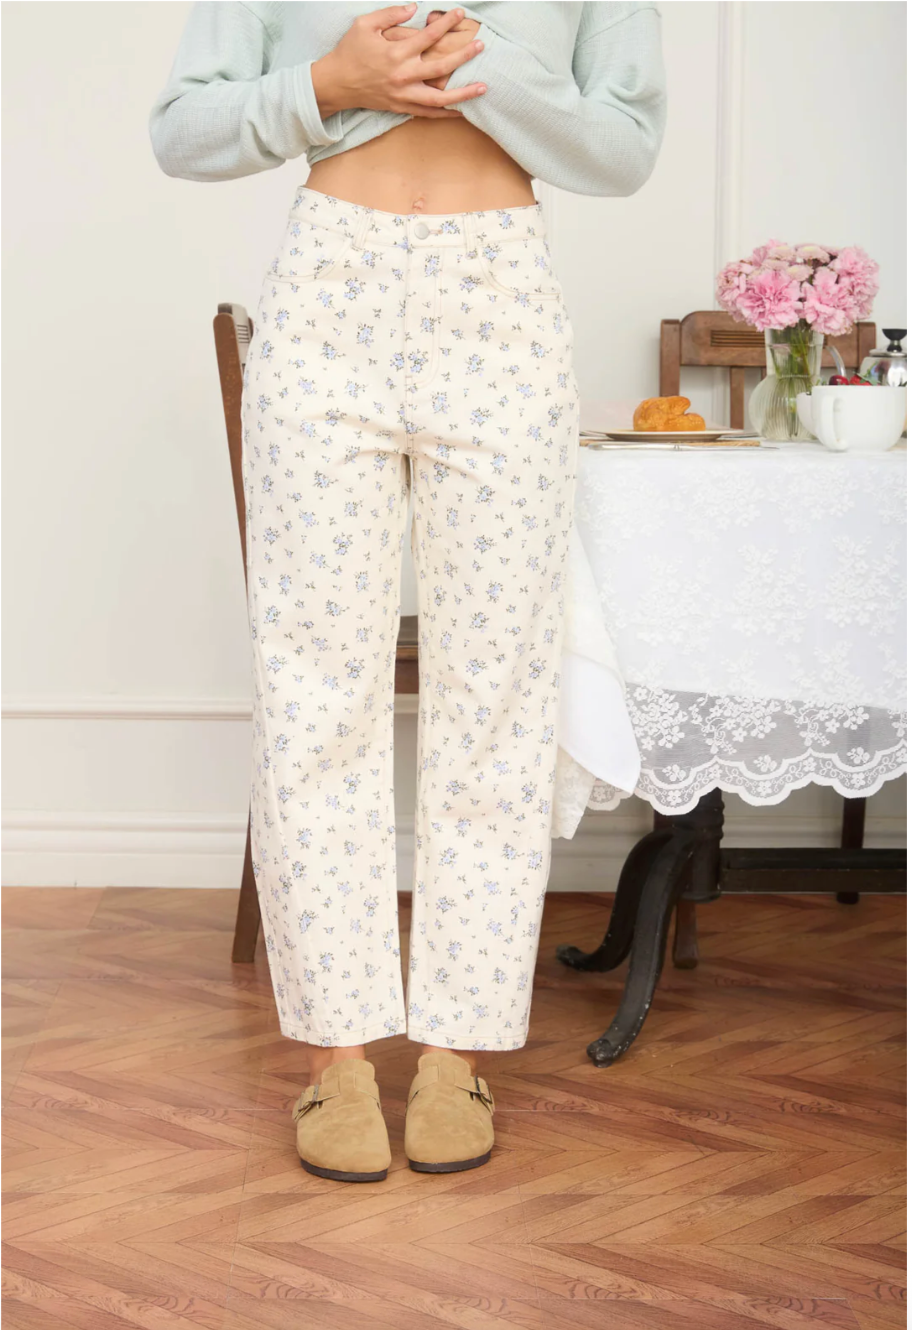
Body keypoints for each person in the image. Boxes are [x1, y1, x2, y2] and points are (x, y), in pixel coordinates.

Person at [149, 0, 666, 1183]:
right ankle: (334, 1057)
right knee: (315, 693)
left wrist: (490, 64)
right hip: (329, 292)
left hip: (503, 301)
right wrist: (331, 82)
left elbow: (625, 147)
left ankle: (455, 1052)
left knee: (496, 694)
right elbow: (182, 129)